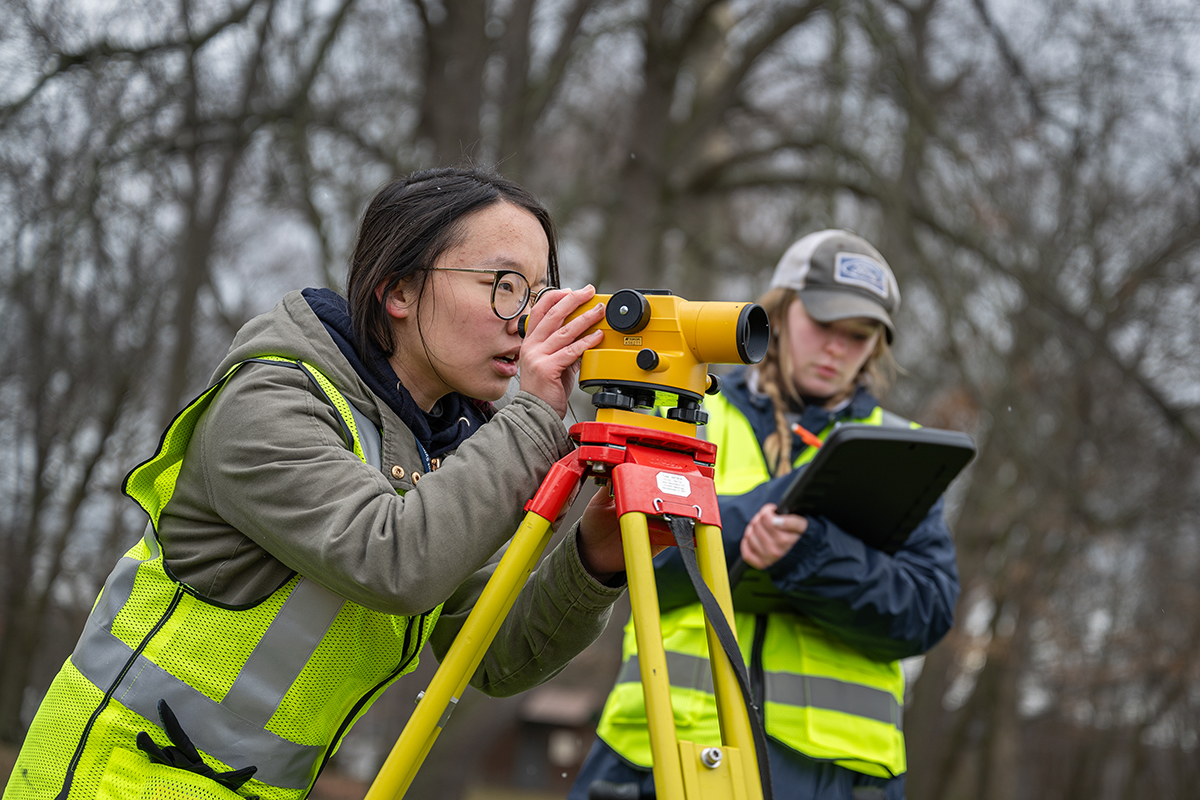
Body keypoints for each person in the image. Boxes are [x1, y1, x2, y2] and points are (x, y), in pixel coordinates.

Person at [4, 166, 630, 800]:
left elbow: (493, 652)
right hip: (114, 779)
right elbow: (392, 560)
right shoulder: (271, 399)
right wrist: (534, 417)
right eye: (503, 285)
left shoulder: (444, 451)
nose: (525, 320)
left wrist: (596, 558)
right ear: (400, 292)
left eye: (540, 293)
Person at [570, 230, 961, 799]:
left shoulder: (902, 450)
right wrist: (760, 518)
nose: (838, 348)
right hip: (660, 751)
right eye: (824, 324)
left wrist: (809, 554)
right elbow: (627, 559)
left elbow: (926, 612)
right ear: (777, 311)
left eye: (860, 335)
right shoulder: (689, 409)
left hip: (834, 776)